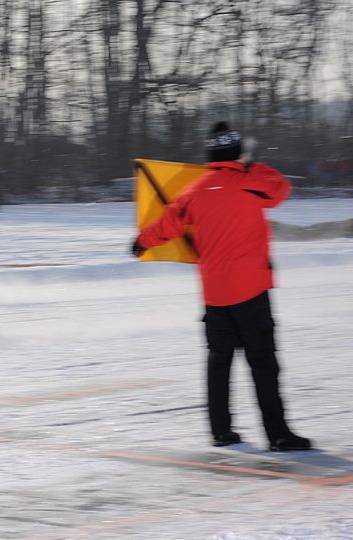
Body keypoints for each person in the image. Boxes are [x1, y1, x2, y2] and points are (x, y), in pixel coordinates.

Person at [131, 121, 312, 452]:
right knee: (263, 363)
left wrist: (142, 241)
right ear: (237, 152)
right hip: (251, 290)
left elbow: (168, 224)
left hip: (215, 294)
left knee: (219, 361)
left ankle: (221, 431)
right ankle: (278, 434)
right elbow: (281, 188)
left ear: (209, 152)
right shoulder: (250, 181)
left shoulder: (194, 190)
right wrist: (252, 165)